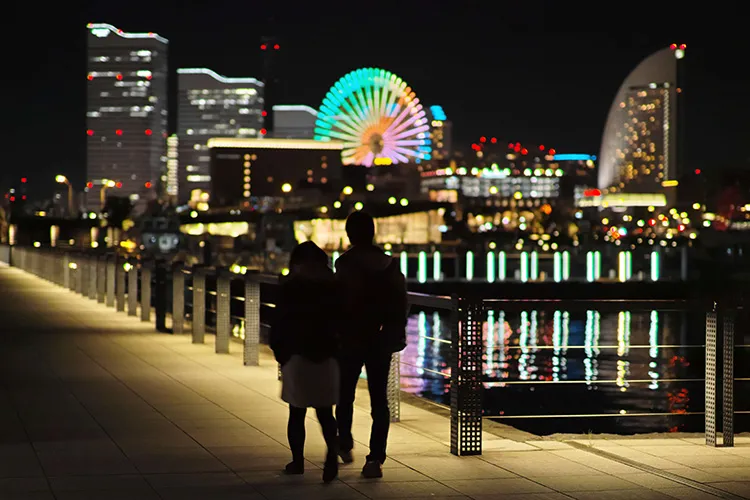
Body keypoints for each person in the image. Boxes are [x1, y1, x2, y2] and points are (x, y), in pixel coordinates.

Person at [334, 211, 408, 478]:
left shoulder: (344, 264)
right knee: (380, 401)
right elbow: (401, 303)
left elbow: (336, 303)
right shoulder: (389, 264)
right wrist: (396, 334)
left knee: (345, 395)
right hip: (380, 339)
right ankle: (375, 458)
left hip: (351, 337)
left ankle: (344, 442)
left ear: (350, 234)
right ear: (372, 233)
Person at [270, 241, 340, 483]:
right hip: (326, 354)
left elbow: (279, 322)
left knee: (296, 412)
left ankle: (297, 461)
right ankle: (331, 454)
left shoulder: (290, 286)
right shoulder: (332, 286)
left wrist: (280, 352)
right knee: (325, 412)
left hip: (297, 354)